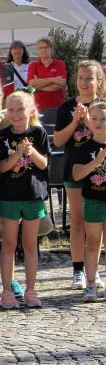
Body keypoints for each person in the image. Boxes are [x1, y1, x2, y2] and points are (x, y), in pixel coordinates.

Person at [53, 60, 106, 293]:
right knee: (77, 221)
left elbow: (99, 131)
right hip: (75, 169)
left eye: (89, 78)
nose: (84, 83)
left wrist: (87, 119)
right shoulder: (67, 107)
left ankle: (96, 271)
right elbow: (57, 141)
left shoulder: (103, 107)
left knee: (98, 225)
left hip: (100, 173)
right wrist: (75, 120)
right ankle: (78, 270)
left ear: (99, 81)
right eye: (80, 78)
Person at [0, 91, 50, 309]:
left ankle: (31, 289)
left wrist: (31, 152)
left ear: (30, 111)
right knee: (8, 244)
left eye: (20, 109)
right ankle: (7, 290)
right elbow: (1, 167)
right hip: (9, 196)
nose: (16, 114)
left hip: (32, 195)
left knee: (29, 244)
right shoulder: (2, 136)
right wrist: (17, 155)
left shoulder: (39, 133)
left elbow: (44, 164)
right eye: (11, 110)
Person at [71, 100, 106, 303]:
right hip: (93, 199)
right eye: (94, 119)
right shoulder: (85, 147)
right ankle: (90, 284)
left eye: (104, 119)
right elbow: (76, 174)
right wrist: (96, 162)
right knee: (92, 242)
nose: (99, 122)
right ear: (89, 122)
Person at [27, 37, 67, 114]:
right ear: (38, 51)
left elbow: (61, 84)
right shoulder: (33, 65)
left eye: (46, 47)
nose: (43, 50)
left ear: (51, 49)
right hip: (37, 108)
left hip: (57, 107)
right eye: (40, 48)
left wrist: (38, 86)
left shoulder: (59, 64)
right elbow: (31, 84)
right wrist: (53, 80)